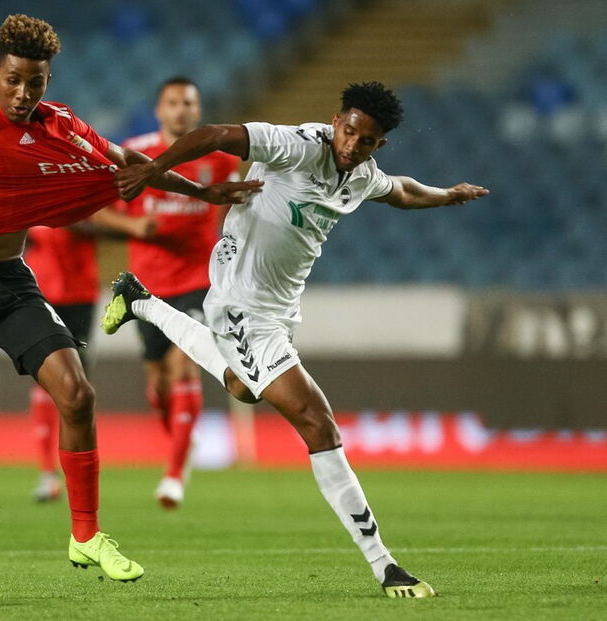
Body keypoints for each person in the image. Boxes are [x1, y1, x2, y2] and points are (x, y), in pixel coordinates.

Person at [0, 14, 259, 602]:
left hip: (10, 281)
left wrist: (204, 192)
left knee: (77, 393)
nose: (24, 94)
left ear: (48, 80)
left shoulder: (62, 127)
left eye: (37, 82)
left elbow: (130, 163)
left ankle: (86, 536)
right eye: (14, 80)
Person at [102, 81, 489, 599]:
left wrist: (448, 196)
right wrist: (152, 171)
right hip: (240, 300)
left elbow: (402, 191)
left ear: (379, 144)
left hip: (281, 310)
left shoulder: (361, 175)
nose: (352, 145)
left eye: (366, 140)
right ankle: (385, 565)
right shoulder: (297, 145)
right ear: (335, 122)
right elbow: (214, 134)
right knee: (317, 422)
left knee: (242, 386)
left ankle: (139, 300)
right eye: (348, 131)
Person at [110, 77, 240, 509]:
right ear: (159, 110)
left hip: (197, 282)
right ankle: (183, 440)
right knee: (158, 384)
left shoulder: (219, 160)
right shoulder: (134, 152)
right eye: (173, 102)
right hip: (146, 288)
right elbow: (102, 209)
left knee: (184, 366)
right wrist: (132, 226)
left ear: (198, 110)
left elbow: (234, 211)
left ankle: (173, 475)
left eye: (188, 103)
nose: (181, 110)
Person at [25, 214, 154, 503]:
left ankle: (74, 472)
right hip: (40, 292)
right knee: (42, 379)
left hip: (79, 293)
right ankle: (47, 473)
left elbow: (106, 225)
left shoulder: (80, 195)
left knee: (76, 386)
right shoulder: (31, 194)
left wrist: (75, 220)